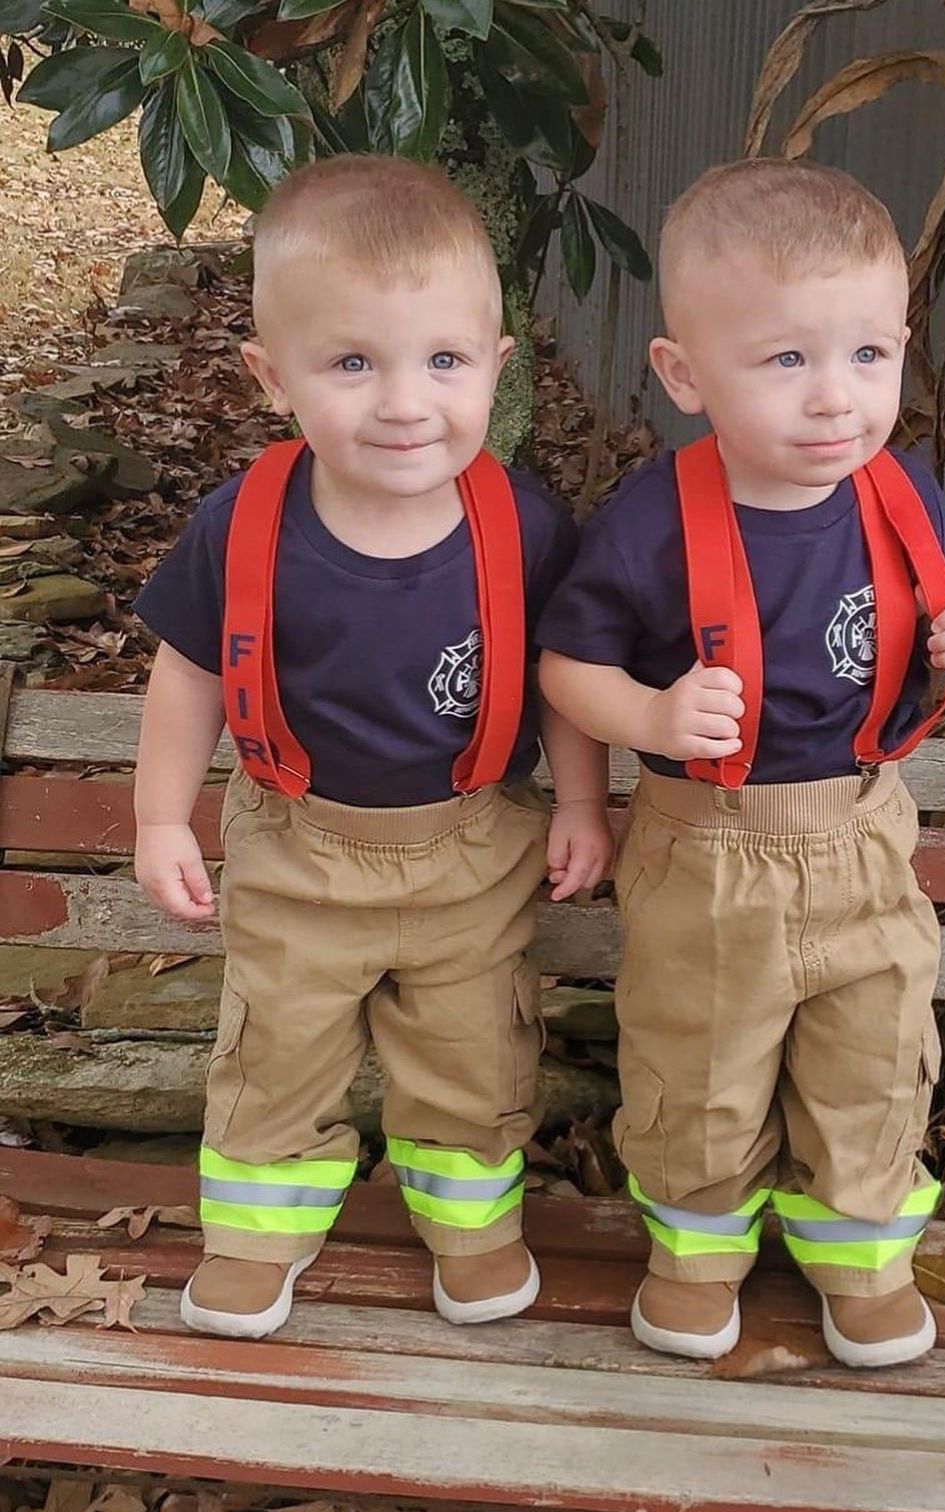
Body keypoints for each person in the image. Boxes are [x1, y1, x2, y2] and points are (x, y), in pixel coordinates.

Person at [132, 154, 613, 1341]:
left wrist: (581, 803)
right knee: (277, 1050)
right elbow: (187, 670)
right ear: (271, 376)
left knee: (472, 1052)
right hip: (299, 847)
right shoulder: (242, 525)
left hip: (473, 850)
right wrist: (157, 817)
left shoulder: (525, 523)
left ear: (496, 367)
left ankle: (472, 1227)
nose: (405, 401)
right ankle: (256, 1236)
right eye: (353, 362)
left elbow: (563, 680)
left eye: (443, 360)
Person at [538, 158, 945, 1367]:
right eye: (786, 359)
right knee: (698, 1061)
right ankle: (696, 1257)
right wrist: (646, 718)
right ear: (685, 374)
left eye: (869, 354)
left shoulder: (902, 495)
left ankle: (862, 1258)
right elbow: (565, 670)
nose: (836, 399)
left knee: (874, 1053)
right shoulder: (651, 524)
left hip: (862, 832)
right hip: (708, 848)